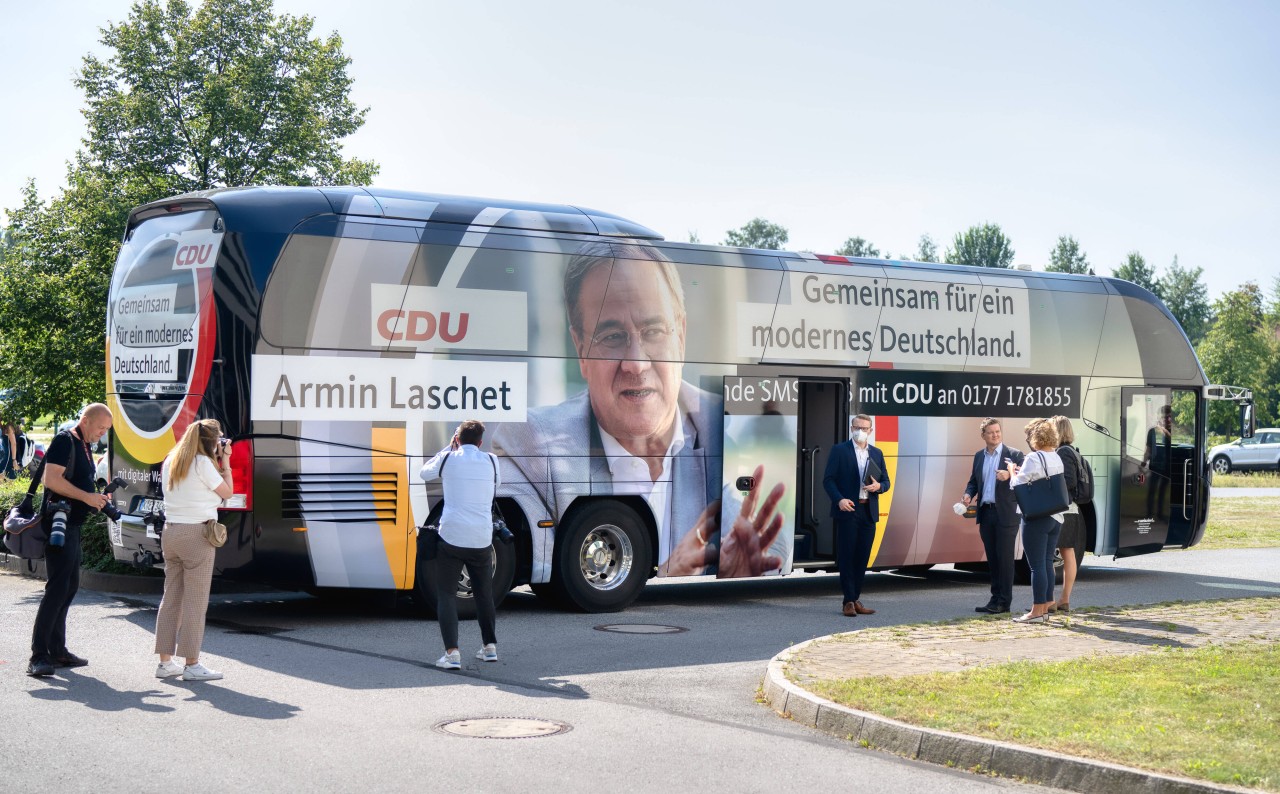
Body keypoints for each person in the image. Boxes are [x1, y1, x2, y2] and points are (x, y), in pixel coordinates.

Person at [491, 242, 785, 579]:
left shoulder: (737, 428)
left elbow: (774, 548)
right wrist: (666, 576)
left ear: (681, 337)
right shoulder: (531, 442)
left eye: (654, 332)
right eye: (613, 336)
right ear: (581, 350)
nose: (636, 363)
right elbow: (537, 567)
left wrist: (740, 572)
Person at [27, 404, 113, 678]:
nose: (102, 434)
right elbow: (51, 480)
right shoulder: (65, 440)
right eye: (100, 428)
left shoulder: (84, 444)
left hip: (72, 524)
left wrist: (96, 497)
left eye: (106, 431)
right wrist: (87, 497)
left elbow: (79, 480)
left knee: (69, 586)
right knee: (57, 588)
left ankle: (58, 650)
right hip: (58, 524)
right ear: (85, 421)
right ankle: (38, 655)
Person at [154, 419, 234, 681]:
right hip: (197, 535)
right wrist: (226, 463)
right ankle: (192, 664)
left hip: (171, 531)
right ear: (211, 441)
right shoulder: (202, 463)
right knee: (195, 602)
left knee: (172, 598)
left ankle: (165, 663)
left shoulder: (172, 459)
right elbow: (227, 492)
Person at [421, 419, 500, 670]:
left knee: (446, 594)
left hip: (452, 537)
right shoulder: (491, 461)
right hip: (481, 538)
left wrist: (448, 447)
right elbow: (496, 486)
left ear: (458, 439)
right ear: (480, 441)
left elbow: (425, 473)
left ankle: (452, 653)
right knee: (484, 594)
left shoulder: (449, 459)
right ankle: (489, 648)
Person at [822, 414, 890, 617]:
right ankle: (848, 601)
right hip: (848, 510)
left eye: (865, 427)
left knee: (862, 557)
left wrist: (879, 486)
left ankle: (856, 598)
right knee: (847, 556)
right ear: (851, 429)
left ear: (871, 431)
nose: (861, 430)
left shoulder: (876, 453)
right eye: (857, 427)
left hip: (868, 510)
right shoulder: (839, 450)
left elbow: (886, 481)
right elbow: (828, 480)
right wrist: (839, 499)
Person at [961, 418, 1025, 614]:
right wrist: (968, 494)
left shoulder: (1014, 454)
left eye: (998, 431)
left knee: (1004, 558)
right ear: (983, 436)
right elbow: (974, 481)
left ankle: (1004, 602)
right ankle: (994, 598)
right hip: (986, 512)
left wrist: (1010, 475)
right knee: (993, 558)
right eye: (991, 432)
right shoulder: (979, 456)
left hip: (1005, 513)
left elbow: (1025, 477)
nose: (995, 435)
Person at [1007, 419, 1066, 624]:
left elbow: (1019, 485)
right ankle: (1047, 606)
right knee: (1048, 561)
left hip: (1036, 517)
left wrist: (1012, 472)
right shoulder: (1056, 457)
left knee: (1036, 565)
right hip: (1056, 516)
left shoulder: (1034, 457)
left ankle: (1036, 612)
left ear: (1035, 437)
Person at [1050, 415, 1085, 612]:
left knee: (1060, 553)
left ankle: (1060, 599)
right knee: (1067, 552)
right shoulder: (1072, 451)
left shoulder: (1063, 452)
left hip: (1065, 510)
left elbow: (1069, 481)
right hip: (1071, 509)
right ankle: (1064, 599)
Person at [1141, 404, 1172, 521]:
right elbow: (1148, 449)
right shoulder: (1152, 431)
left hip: (1169, 467)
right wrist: (1143, 464)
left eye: (1170, 417)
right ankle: (1149, 514)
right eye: (1165, 417)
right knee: (1152, 490)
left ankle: (1161, 514)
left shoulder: (1173, 431)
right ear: (1160, 418)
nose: (1168, 419)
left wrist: (1164, 431)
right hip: (1156, 465)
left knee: (1164, 491)